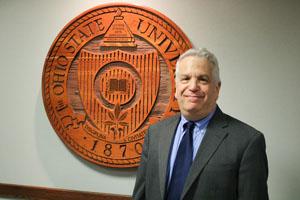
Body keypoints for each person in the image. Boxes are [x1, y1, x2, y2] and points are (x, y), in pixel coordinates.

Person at [132, 48, 269, 200]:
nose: (193, 87)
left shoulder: (247, 142)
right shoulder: (155, 134)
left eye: (203, 79)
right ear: (176, 87)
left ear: (217, 89)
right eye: (185, 78)